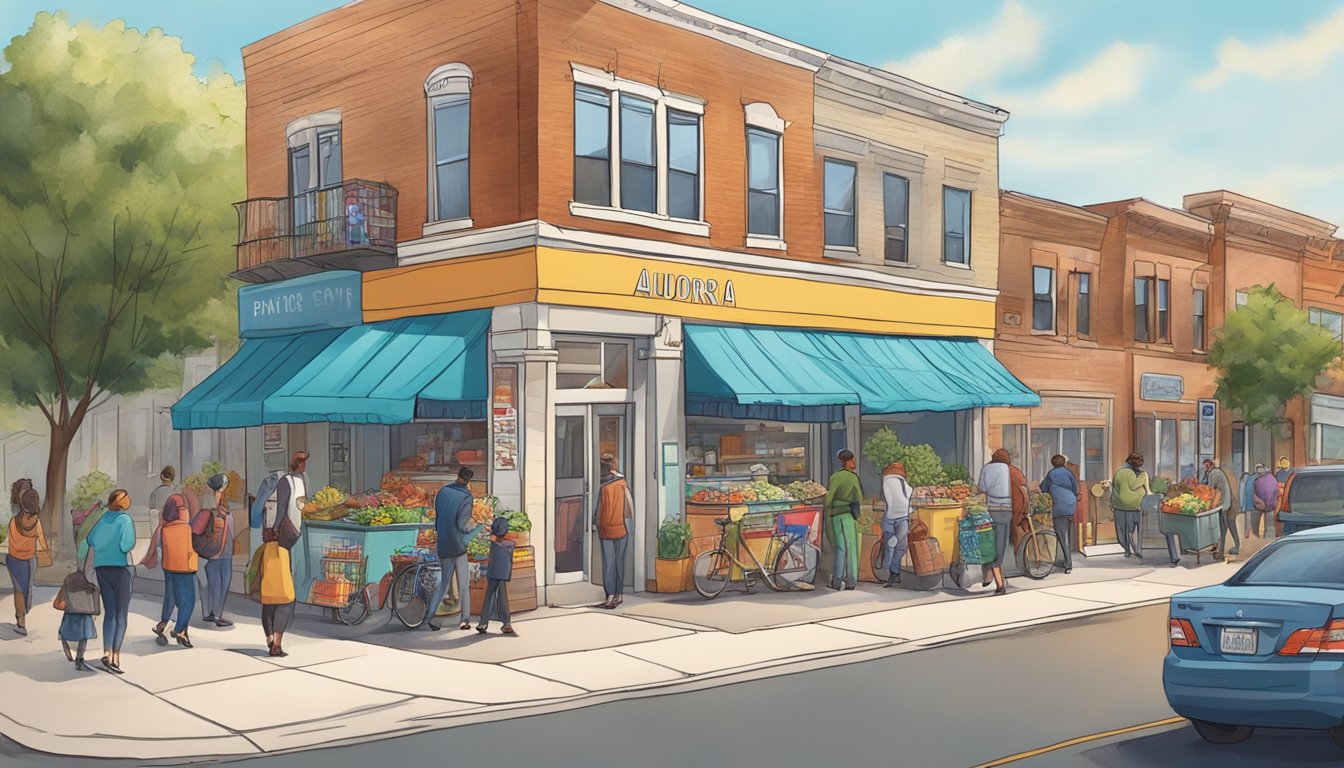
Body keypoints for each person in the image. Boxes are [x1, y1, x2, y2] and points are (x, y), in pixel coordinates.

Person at [80, 489, 136, 674]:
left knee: (110, 612)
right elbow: (126, 545)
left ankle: (106, 651)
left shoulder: (103, 520)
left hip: (103, 569)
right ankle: (116, 656)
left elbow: (90, 539)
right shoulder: (125, 520)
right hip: (122, 569)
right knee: (122, 614)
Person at [263, 451, 307, 657]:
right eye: (301, 462)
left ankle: (271, 640)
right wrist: (277, 530)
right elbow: (281, 511)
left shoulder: (299, 481)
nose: (304, 466)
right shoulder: (286, 482)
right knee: (284, 596)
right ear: (295, 464)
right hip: (281, 540)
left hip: (283, 540)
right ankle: (276, 644)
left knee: (271, 592)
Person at [427, 467, 480, 632]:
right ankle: (465, 620)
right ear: (468, 481)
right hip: (458, 545)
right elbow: (462, 525)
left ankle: (430, 617)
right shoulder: (466, 498)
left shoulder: (442, 492)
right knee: (463, 583)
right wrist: (476, 527)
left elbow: (437, 518)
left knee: (444, 583)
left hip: (443, 543)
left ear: (458, 476)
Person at [977, 449, 1020, 595]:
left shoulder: (986, 468)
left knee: (989, 544)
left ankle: (991, 577)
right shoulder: (1009, 469)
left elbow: (982, 488)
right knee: (1000, 547)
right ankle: (1000, 583)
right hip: (1007, 511)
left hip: (991, 510)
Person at [6, 487, 47, 636]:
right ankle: (24, 615)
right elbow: (42, 542)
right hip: (30, 560)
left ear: (22, 504)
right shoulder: (36, 522)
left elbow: (11, 542)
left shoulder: (13, 521)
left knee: (18, 591)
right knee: (26, 588)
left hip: (14, 560)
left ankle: (20, 621)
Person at [596, 453, 635, 608]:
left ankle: (609, 596)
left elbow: (598, 509)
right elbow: (630, 507)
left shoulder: (600, 485)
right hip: (621, 528)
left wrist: (596, 524)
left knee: (608, 564)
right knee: (619, 563)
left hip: (605, 529)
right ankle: (618, 596)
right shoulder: (622, 483)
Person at [196, 474, 234, 627]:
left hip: (224, 552)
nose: (221, 494)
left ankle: (214, 613)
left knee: (222, 583)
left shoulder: (222, 509)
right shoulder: (207, 512)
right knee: (214, 583)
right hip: (214, 552)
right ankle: (212, 614)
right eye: (219, 491)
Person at [824, 449, 863, 591]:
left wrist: (826, 508)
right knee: (851, 547)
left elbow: (829, 497)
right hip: (847, 515)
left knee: (840, 548)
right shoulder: (853, 478)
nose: (854, 463)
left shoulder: (835, 477)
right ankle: (851, 581)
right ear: (847, 462)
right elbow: (858, 497)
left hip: (835, 516)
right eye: (852, 460)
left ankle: (836, 581)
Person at [58, 541, 98, 672]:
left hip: (71, 610)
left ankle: (68, 652)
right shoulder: (91, 579)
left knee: (65, 632)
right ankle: (79, 658)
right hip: (85, 611)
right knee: (84, 635)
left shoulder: (70, 578)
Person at [476, 516, 517, 635]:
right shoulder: (510, 544)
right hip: (503, 573)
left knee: (489, 596)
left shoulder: (493, 543)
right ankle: (506, 623)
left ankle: (483, 623)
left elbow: (493, 539)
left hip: (492, 572)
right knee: (502, 597)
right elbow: (508, 541)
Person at [1039, 454, 1079, 574]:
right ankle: (1063, 560)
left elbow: (1044, 488)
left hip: (1060, 507)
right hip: (1071, 505)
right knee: (1067, 535)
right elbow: (1075, 489)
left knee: (1061, 535)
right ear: (1064, 463)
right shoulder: (1069, 473)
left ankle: (1068, 565)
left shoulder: (1051, 474)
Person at [1110, 453, 1150, 559]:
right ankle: (1136, 550)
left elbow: (1115, 487)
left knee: (1121, 529)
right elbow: (1133, 485)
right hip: (1133, 505)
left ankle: (1126, 550)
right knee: (1132, 530)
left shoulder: (1119, 472)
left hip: (1118, 505)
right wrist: (1143, 476)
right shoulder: (1131, 473)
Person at [880, 462, 911, 587]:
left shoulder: (886, 481)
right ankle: (895, 572)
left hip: (890, 516)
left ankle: (887, 572)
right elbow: (910, 493)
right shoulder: (903, 482)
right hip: (903, 515)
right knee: (901, 546)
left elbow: (888, 499)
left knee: (889, 546)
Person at [1201, 458, 1239, 557]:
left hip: (1222, 505)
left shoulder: (1214, 473)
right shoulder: (1216, 472)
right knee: (1224, 527)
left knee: (1222, 529)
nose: (1203, 468)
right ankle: (1221, 549)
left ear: (1209, 465)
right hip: (1225, 504)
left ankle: (1221, 553)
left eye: (1205, 466)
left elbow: (1210, 489)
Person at [1249, 463, 1278, 539]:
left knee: (1267, 525)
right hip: (1265, 505)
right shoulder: (1256, 479)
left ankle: (1263, 538)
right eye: (1258, 468)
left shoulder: (1269, 478)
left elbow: (1275, 491)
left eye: (1260, 468)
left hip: (1267, 505)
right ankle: (1260, 538)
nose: (1259, 470)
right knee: (1266, 525)